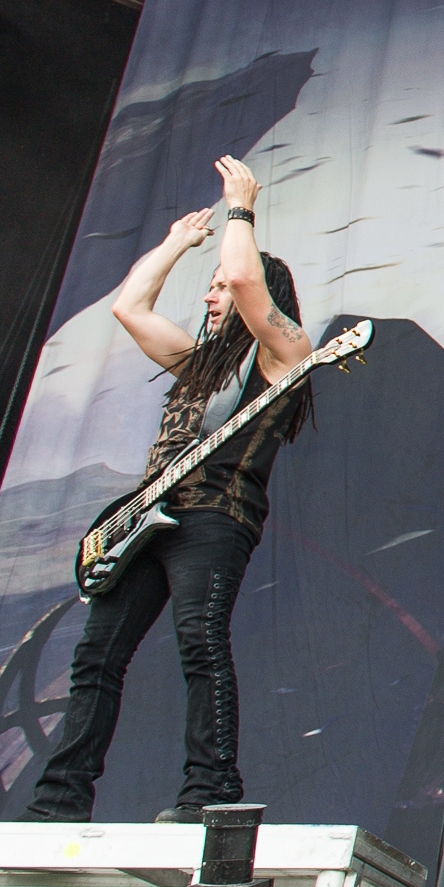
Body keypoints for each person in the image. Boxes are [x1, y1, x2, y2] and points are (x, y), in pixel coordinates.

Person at [17, 157, 313, 824]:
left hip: (216, 517)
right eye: (209, 288)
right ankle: (59, 800)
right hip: (148, 519)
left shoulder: (284, 355)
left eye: (219, 289)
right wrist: (177, 242)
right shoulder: (196, 364)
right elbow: (129, 307)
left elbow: (245, 278)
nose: (212, 297)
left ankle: (210, 792)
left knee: (199, 642)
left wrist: (240, 210)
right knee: (96, 656)